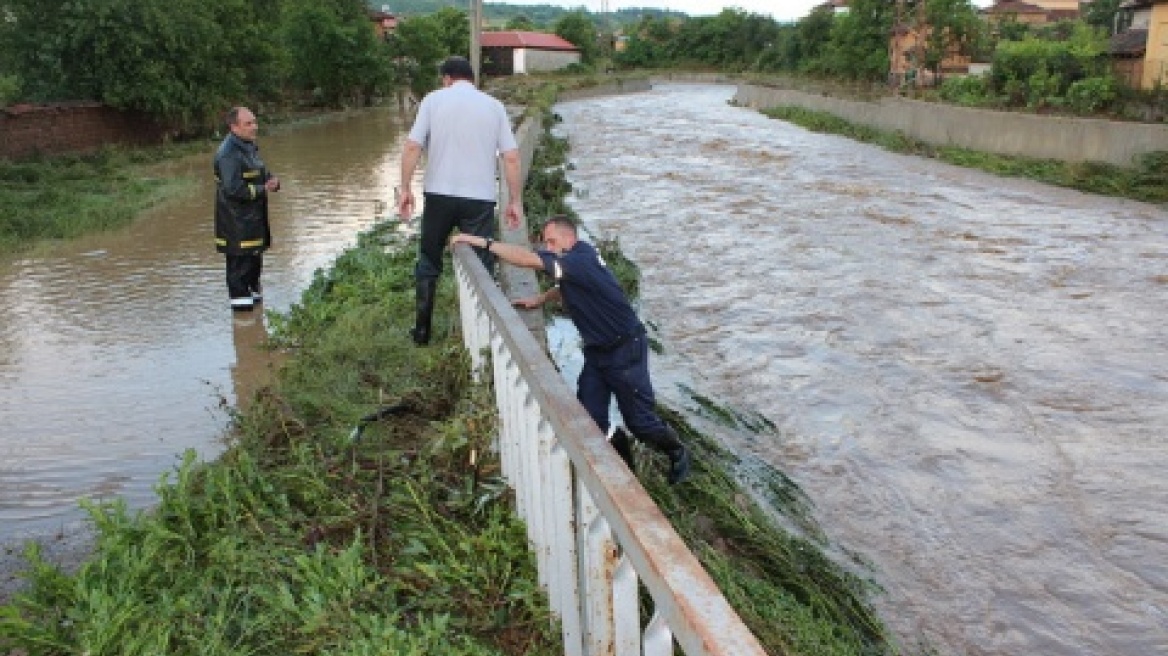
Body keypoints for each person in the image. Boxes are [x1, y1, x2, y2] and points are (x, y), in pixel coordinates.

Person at [450, 216, 692, 485]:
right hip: (597, 352)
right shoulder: (581, 254)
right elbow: (566, 284)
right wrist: (540, 299)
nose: (548, 247)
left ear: (569, 238)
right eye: (545, 242)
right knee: (590, 420)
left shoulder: (578, 260)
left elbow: (527, 259)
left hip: (625, 350)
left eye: (552, 241)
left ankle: (677, 451)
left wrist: (482, 242)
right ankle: (627, 473)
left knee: (641, 423)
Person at [397, 55, 524, 345]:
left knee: (429, 262)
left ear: (446, 79)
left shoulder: (432, 101)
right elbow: (512, 157)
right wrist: (514, 201)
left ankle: (421, 332)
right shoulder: (494, 106)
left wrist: (405, 189)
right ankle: (483, 339)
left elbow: (412, 147)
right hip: (479, 199)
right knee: (481, 264)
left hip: (438, 195)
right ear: (472, 79)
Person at [214, 106, 280, 311]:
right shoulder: (228, 154)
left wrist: (272, 181)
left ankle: (256, 324)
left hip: (252, 222)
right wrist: (262, 189)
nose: (254, 127)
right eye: (248, 123)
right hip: (236, 226)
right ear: (234, 127)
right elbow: (233, 189)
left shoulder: (248, 146)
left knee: (253, 269)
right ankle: (243, 325)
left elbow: (260, 172)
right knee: (239, 273)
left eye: (254, 122)